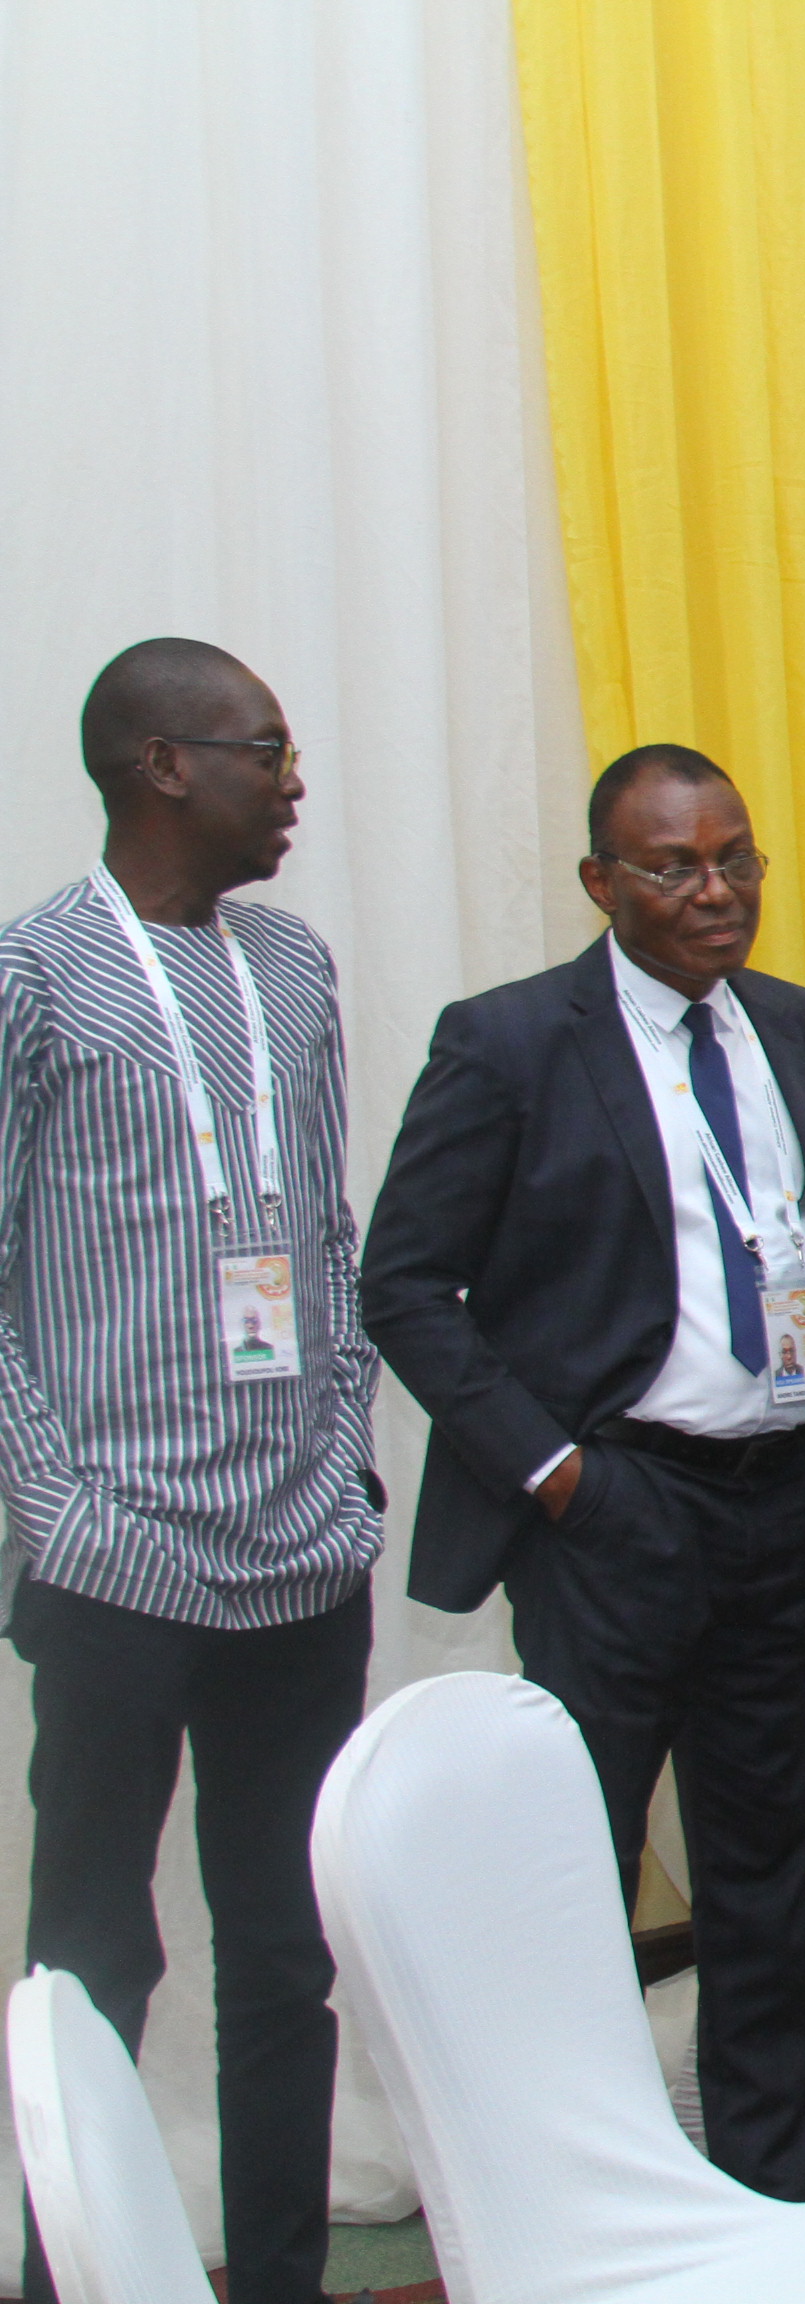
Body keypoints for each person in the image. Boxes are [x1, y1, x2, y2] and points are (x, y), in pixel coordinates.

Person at [362, 743, 805, 2199]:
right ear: (600, 882)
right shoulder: (510, 1043)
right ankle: (575, 2204)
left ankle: (771, 2201)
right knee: (576, 1871)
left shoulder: (796, 1024)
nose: (716, 890)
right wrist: (556, 1473)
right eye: (675, 867)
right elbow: (404, 1285)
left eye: (736, 858)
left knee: (762, 1875)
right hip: (611, 1511)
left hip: (776, 1503)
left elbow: (798, 1250)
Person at [0, 642, 380, 2304]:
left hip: (301, 1557)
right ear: (161, 764)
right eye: (263, 751)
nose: (291, 783)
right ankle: (69, 2273)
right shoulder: (35, 972)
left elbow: (328, 1234)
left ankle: (281, 2278)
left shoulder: (293, 966)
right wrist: (58, 1509)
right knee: (92, 1958)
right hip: (119, 1560)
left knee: (284, 1955)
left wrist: (345, 1459)